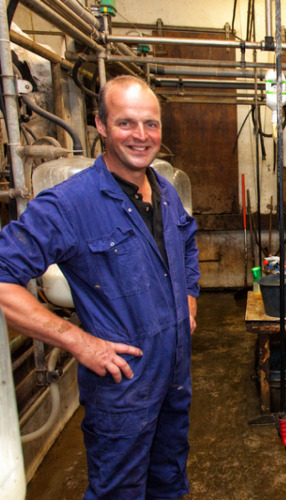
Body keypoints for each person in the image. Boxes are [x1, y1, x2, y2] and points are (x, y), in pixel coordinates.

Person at [0, 75, 200, 498]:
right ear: (101, 126)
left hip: (174, 378)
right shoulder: (71, 202)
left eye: (151, 124)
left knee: (169, 483)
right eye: (126, 123)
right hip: (123, 389)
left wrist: (189, 302)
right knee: (119, 492)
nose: (141, 136)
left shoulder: (165, 192)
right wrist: (77, 341)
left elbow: (186, 245)